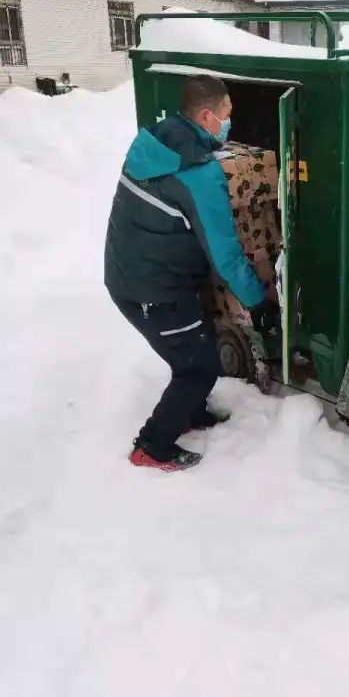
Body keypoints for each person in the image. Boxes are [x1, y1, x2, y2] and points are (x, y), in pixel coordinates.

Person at [104, 75, 279, 472]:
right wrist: (257, 302)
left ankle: (191, 413)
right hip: (151, 290)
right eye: (227, 115)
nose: (230, 122)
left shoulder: (155, 142)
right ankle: (152, 446)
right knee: (197, 367)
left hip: (133, 273)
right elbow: (225, 253)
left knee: (198, 344)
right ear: (206, 115)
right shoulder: (198, 174)